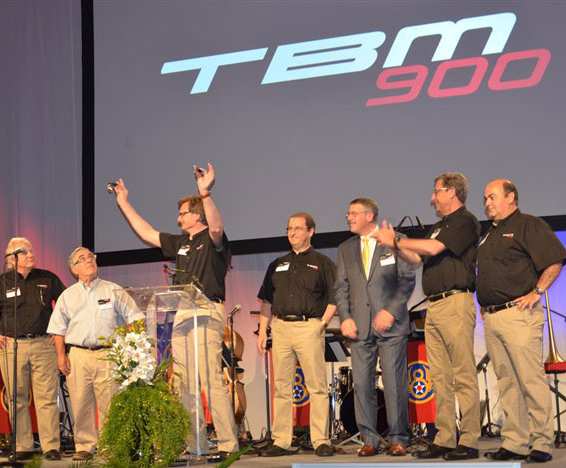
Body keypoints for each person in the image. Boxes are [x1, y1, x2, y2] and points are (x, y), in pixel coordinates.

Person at [113, 163, 239, 459]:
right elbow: (147, 233)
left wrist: (205, 194)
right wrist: (124, 203)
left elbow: (218, 227)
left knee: (209, 377)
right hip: (182, 312)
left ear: (197, 215)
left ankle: (227, 444)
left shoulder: (213, 239)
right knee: (183, 382)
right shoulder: (181, 242)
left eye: (183, 213)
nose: (178, 218)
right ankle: (196, 445)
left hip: (206, 310)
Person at [373, 173, 481, 460]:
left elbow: (433, 249)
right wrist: (394, 245)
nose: (432, 198)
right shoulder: (438, 226)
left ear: (451, 193)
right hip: (434, 306)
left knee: (463, 374)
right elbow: (418, 259)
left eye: (436, 192)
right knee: (440, 376)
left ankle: (469, 440)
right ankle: (445, 438)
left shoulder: (465, 221)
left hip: (455, 302)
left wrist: (396, 239)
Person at [477, 179, 565, 463]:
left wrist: (537, 292)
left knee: (529, 379)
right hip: (492, 317)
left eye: (492, 197)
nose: (487, 203)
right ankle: (514, 442)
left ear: (511, 196)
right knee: (507, 382)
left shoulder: (529, 225)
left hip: (518, 315)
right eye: (485, 199)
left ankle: (541, 443)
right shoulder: (489, 234)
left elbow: (555, 259)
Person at [0, 237, 65, 461]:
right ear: (11, 258)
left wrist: (60, 333)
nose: (31, 254)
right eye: (25, 252)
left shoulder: (47, 278)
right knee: (16, 398)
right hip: (12, 346)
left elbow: (67, 306)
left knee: (47, 398)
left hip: (43, 344)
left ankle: (51, 446)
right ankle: (23, 445)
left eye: (32, 250)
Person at [47, 247, 144, 461]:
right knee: (80, 402)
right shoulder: (68, 295)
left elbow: (135, 318)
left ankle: (110, 445)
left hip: (109, 354)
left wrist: (130, 348)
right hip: (78, 355)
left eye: (91, 256)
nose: (89, 260)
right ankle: (84, 446)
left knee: (110, 402)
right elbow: (57, 328)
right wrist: (61, 356)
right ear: (74, 269)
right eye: (82, 259)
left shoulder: (113, 290)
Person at [335, 199, 415, 456]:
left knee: (394, 385)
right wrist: (345, 317)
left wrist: (390, 311)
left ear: (369, 215)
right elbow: (342, 287)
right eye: (348, 213)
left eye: (353, 213)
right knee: (362, 385)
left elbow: (407, 280)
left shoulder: (394, 240)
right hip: (359, 328)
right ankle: (369, 439)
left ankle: (398, 438)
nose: (348, 217)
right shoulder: (346, 248)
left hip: (391, 326)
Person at [256, 212, 336, 457]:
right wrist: (263, 330)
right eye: (289, 228)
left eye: (298, 228)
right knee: (281, 387)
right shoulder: (277, 263)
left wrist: (320, 324)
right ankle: (281, 440)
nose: (292, 232)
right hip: (280, 328)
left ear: (311, 231)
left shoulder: (323, 263)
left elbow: (335, 299)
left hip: (308, 326)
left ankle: (320, 439)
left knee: (317, 387)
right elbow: (267, 300)